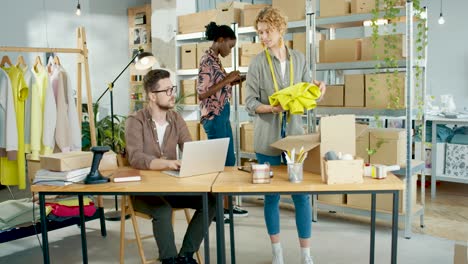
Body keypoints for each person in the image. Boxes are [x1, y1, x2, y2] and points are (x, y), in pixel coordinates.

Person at [244, 7, 327, 264]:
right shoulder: (257, 63)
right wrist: (271, 108)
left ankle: (306, 254)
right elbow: (249, 101)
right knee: (272, 197)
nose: (263, 37)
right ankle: (277, 252)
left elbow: (305, 94)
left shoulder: (299, 59)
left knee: (302, 197)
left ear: (280, 29)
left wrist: (318, 91)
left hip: (294, 140)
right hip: (266, 141)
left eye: (267, 31)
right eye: (260, 33)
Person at [125, 69, 216, 264]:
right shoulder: (135, 121)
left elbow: (189, 148)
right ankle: (169, 260)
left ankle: (185, 255)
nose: (173, 94)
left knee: (211, 202)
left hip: (172, 187)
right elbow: (136, 158)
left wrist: (202, 157)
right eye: (167, 90)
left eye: (172, 88)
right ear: (152, 95)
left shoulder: (176, 119)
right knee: (162, 210)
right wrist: (167, 163)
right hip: (143, 191)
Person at [197, 21, 248, 220]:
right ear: (220, 40)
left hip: (222, 115)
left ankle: (228, 206)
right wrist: (227, 80)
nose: (230, 50)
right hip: (214, 116)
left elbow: (218, 87)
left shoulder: (216, 60)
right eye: (230, 46)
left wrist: (235, 79)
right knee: (221, 163)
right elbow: (202, 94)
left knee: (229, 161)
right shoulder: (206, 61)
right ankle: (217, 210)